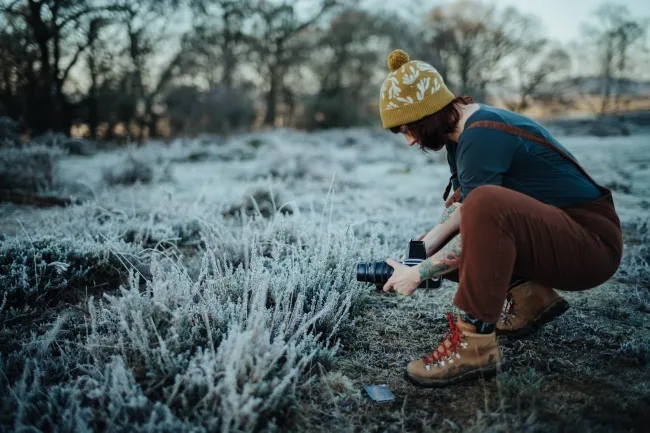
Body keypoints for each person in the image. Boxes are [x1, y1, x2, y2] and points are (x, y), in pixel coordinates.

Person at [378, 49, 623, 388]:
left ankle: (475, 344)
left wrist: (419, 273)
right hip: (559, 233)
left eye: (409, 129)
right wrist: (427, 242)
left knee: (485, 207)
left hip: (592, 245)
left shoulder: (482, 136)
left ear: (428, 115)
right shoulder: (461, 132)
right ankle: (529, 299)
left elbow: (482, 213)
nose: (409, 142)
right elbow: (465, 207)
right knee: (466, 220)